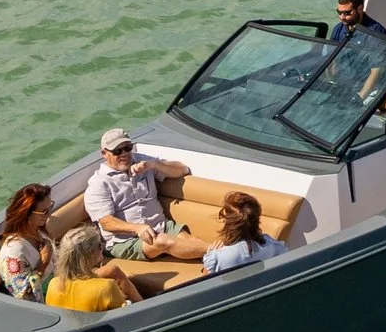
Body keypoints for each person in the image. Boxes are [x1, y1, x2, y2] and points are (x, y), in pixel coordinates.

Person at [83, 128, 203, 260]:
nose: (124, 154)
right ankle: (220, 252)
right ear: (104, 154)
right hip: (125, 241)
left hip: (160, 225)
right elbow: (106, 222)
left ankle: (219, 257)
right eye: (117, 151)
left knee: (194, 241)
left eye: (127, 148)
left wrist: (154, 165)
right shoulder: (99, 183)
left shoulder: (142, 161)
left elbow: (182, 169)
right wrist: (137, 228)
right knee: (164, 242)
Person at [46, 226, 144, 310]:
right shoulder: (106, 287)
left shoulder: (53, 284)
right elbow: (127, 317)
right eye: (100, 246)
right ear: (89, 255)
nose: (102, 248)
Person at [202, 192, 290, 277]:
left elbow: (202, 286)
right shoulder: (273, 246)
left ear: (228, 222)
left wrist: (209, 259)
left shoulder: (218, 258)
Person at [0, 183, 56, 300]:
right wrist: (43, 263)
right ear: (26, 214)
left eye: (50, 208)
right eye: (44, 211)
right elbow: (23, 294)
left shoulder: (38, 231)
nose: (49, 214)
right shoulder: (13, 253)